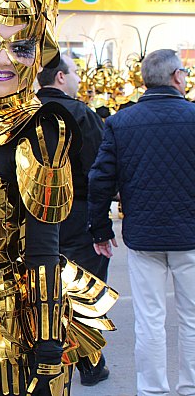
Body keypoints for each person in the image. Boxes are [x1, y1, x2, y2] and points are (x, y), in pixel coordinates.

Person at [0, 0, 117, 395]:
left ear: (39, 55)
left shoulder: (42, 128)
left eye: (20, 47)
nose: (2, 60)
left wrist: (46, 339)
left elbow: (44, 247)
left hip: (26, 319)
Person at [88, 48, 195, 396]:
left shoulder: (120, 122)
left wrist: (100, 229)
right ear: (177, 77)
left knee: (150, 320)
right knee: (192, 320)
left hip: (143, 236)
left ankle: (152, 390)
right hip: (190, 235)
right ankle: (189, 386)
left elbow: (100, 179)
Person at [37, 54, 110, 386]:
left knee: (41, 285)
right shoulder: (80, 112)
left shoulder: (25, 112)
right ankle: (90, 363)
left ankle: (47, 359)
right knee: (81, 288)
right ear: (62, 78)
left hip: (34, 214)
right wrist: (101, 221)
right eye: (76, 73)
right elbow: (98, 168)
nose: (79, 79)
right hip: (76, 212)